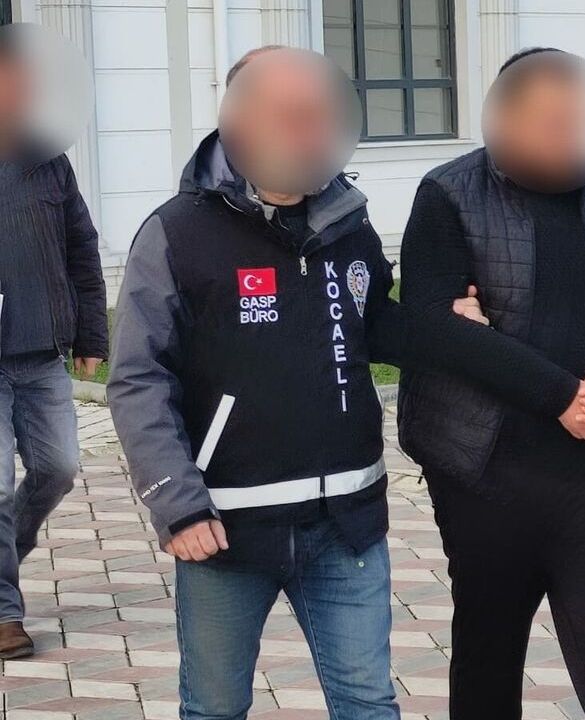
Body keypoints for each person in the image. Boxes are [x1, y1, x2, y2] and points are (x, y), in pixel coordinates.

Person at [106, 47, 484, 720]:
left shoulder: (346, 220)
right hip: (224, 529)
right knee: (215, 708)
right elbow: (138, 379)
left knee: (368, 702)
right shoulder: (176, 234)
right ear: (240, 122)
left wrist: (452, 329)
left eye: (322, 118)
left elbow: (374, 326)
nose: (312, 134)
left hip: (347, 524)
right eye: (292, 117)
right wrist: (178, 505)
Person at [395, 48, 585, 720]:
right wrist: (561, 398)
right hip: (487, 471)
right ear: (505, 117)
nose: (569, 136)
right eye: (552, 122)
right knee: (489, 653)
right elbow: (433, 328)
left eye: (579, 120)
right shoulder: (448, 195)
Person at [0, 38, 107, 659]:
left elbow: (81, 247)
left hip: (40, 352)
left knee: (58, 468)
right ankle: (4, 612)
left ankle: (6, 554)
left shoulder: (48, 161)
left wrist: (91, 333)